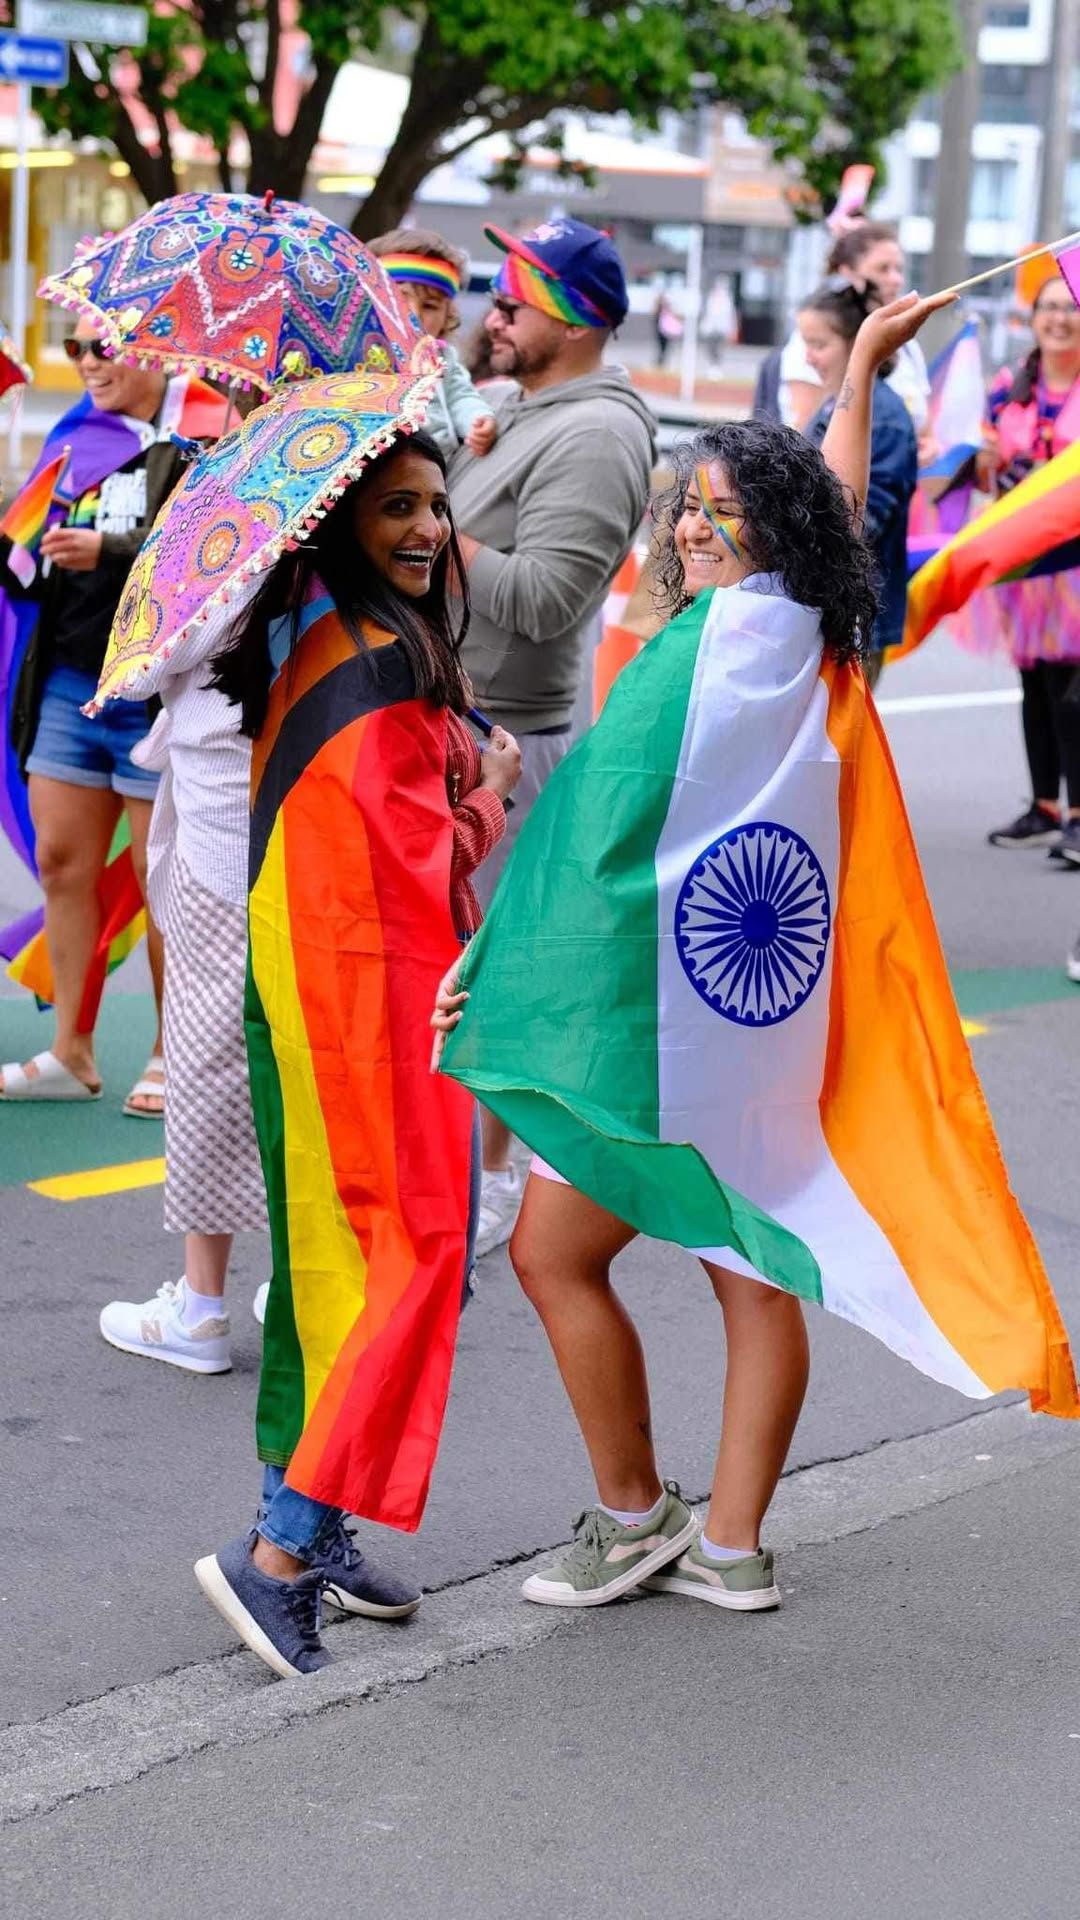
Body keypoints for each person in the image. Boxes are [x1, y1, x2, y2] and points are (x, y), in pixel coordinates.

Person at [433, 289, 1078, 1616]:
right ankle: (730, 1544)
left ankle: (636, 1515)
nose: (695, 523)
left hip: (661, 1033)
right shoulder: (804, 642)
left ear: (763, 534)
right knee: (754, 1270)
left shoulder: (704, 650)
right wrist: (861, 383)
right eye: (687, 506)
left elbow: (588, 854)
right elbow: (835, 500)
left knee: (560, 1256)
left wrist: (494, 957)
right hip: (764, 1035)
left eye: (721, 509)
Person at [177, 431, 520, 1677]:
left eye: (436, 504)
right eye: (396, 509)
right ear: (335, 525)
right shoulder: (370, 665)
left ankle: (311, 1525)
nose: (428, 528)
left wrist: (465, 755)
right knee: (409, 1267)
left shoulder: (343, 641)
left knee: (343, 1271)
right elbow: (417, 860)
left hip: (337, 997)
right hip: (364, 1009)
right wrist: (489, 788)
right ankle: (279, 1551)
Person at [448, 215, 656, 1255]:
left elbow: (540, 601)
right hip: (457, 729)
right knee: (466, 972)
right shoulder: (523, 407)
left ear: (573, 323)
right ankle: (477, 1174)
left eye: (515, 300)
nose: (495, 312)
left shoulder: (599, 435)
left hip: (508, 743)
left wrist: (420, 530)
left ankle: (491, 1186)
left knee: (492, 978)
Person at [0, 318, 189, 1109]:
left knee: (162, 886)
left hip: (154, 700)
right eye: (76, 348)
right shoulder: (74, 437)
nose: (85, 363)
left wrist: (106, 553)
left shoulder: (203, 437)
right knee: (62, 869)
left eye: (101, 348)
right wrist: (21, 542)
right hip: (70, 687)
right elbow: (25, 559)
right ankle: (70, 1049)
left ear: (157, 355)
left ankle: (169, 1055)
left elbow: (201, 556)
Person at [969, 276, 1080, 860]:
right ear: (1033, 318)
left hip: (1077, 563)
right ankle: (1044, 806)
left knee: (1073, 693)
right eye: (1049, 309)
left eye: (1070, 308)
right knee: (1034, 685)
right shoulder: (1009, 387)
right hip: (1026, 567)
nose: (1059, 318)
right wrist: (984, 465)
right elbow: (985, 467)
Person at [799, 279, 917, 687]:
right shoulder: (833, 402)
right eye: (805, 345)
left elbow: (860, 521)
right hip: (820, 604)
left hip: (852, 614)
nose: (808, 358)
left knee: (838, 747)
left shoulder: (882, 416)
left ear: (858, 343)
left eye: (819, 345)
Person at [780, 222, 930, 438]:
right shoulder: (808, 342)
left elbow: (925, 429)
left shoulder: (907, 346)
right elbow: (806, 441)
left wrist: (926, 449)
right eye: (882, 268)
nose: (896, 280)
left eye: (899, 269)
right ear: (847, 273)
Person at [368, 228, 498, 460]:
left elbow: (461, 396)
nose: (415, 315)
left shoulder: (442, 357)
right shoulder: (360, 356)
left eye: (430, 306)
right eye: (399, 300)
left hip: (438, 470)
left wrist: (477, 420)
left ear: (448, 315)